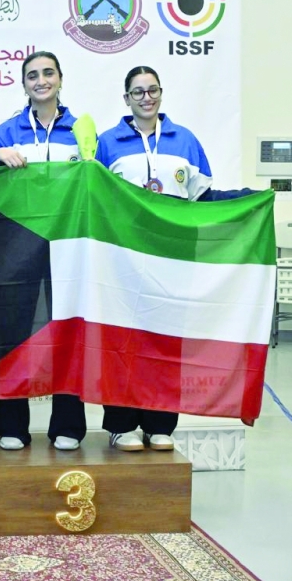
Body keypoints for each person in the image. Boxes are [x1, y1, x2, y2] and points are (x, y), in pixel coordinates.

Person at [95, 65, 210, 452]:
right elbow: (96, 199)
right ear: (126, 99)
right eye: (138, 92)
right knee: (123, 340)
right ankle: (121, 424)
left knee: (164, 341)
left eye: (153, 90)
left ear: (161, 93)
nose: (146, 98)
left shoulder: (186, 140)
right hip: (122, 257)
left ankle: (161, 424)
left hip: (171, 256)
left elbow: (202, 199)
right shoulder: (107, 143)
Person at [0, 51, 88, 451]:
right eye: (32, 76)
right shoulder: (7, 131)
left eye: (48, 73)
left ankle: (68, 425)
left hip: (69, 250)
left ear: (60, 78)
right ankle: (13, 424)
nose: (40, 81)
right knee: (16, 334)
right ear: (23, 84)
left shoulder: (82, 131)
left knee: (67, 332)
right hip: (17, 252)